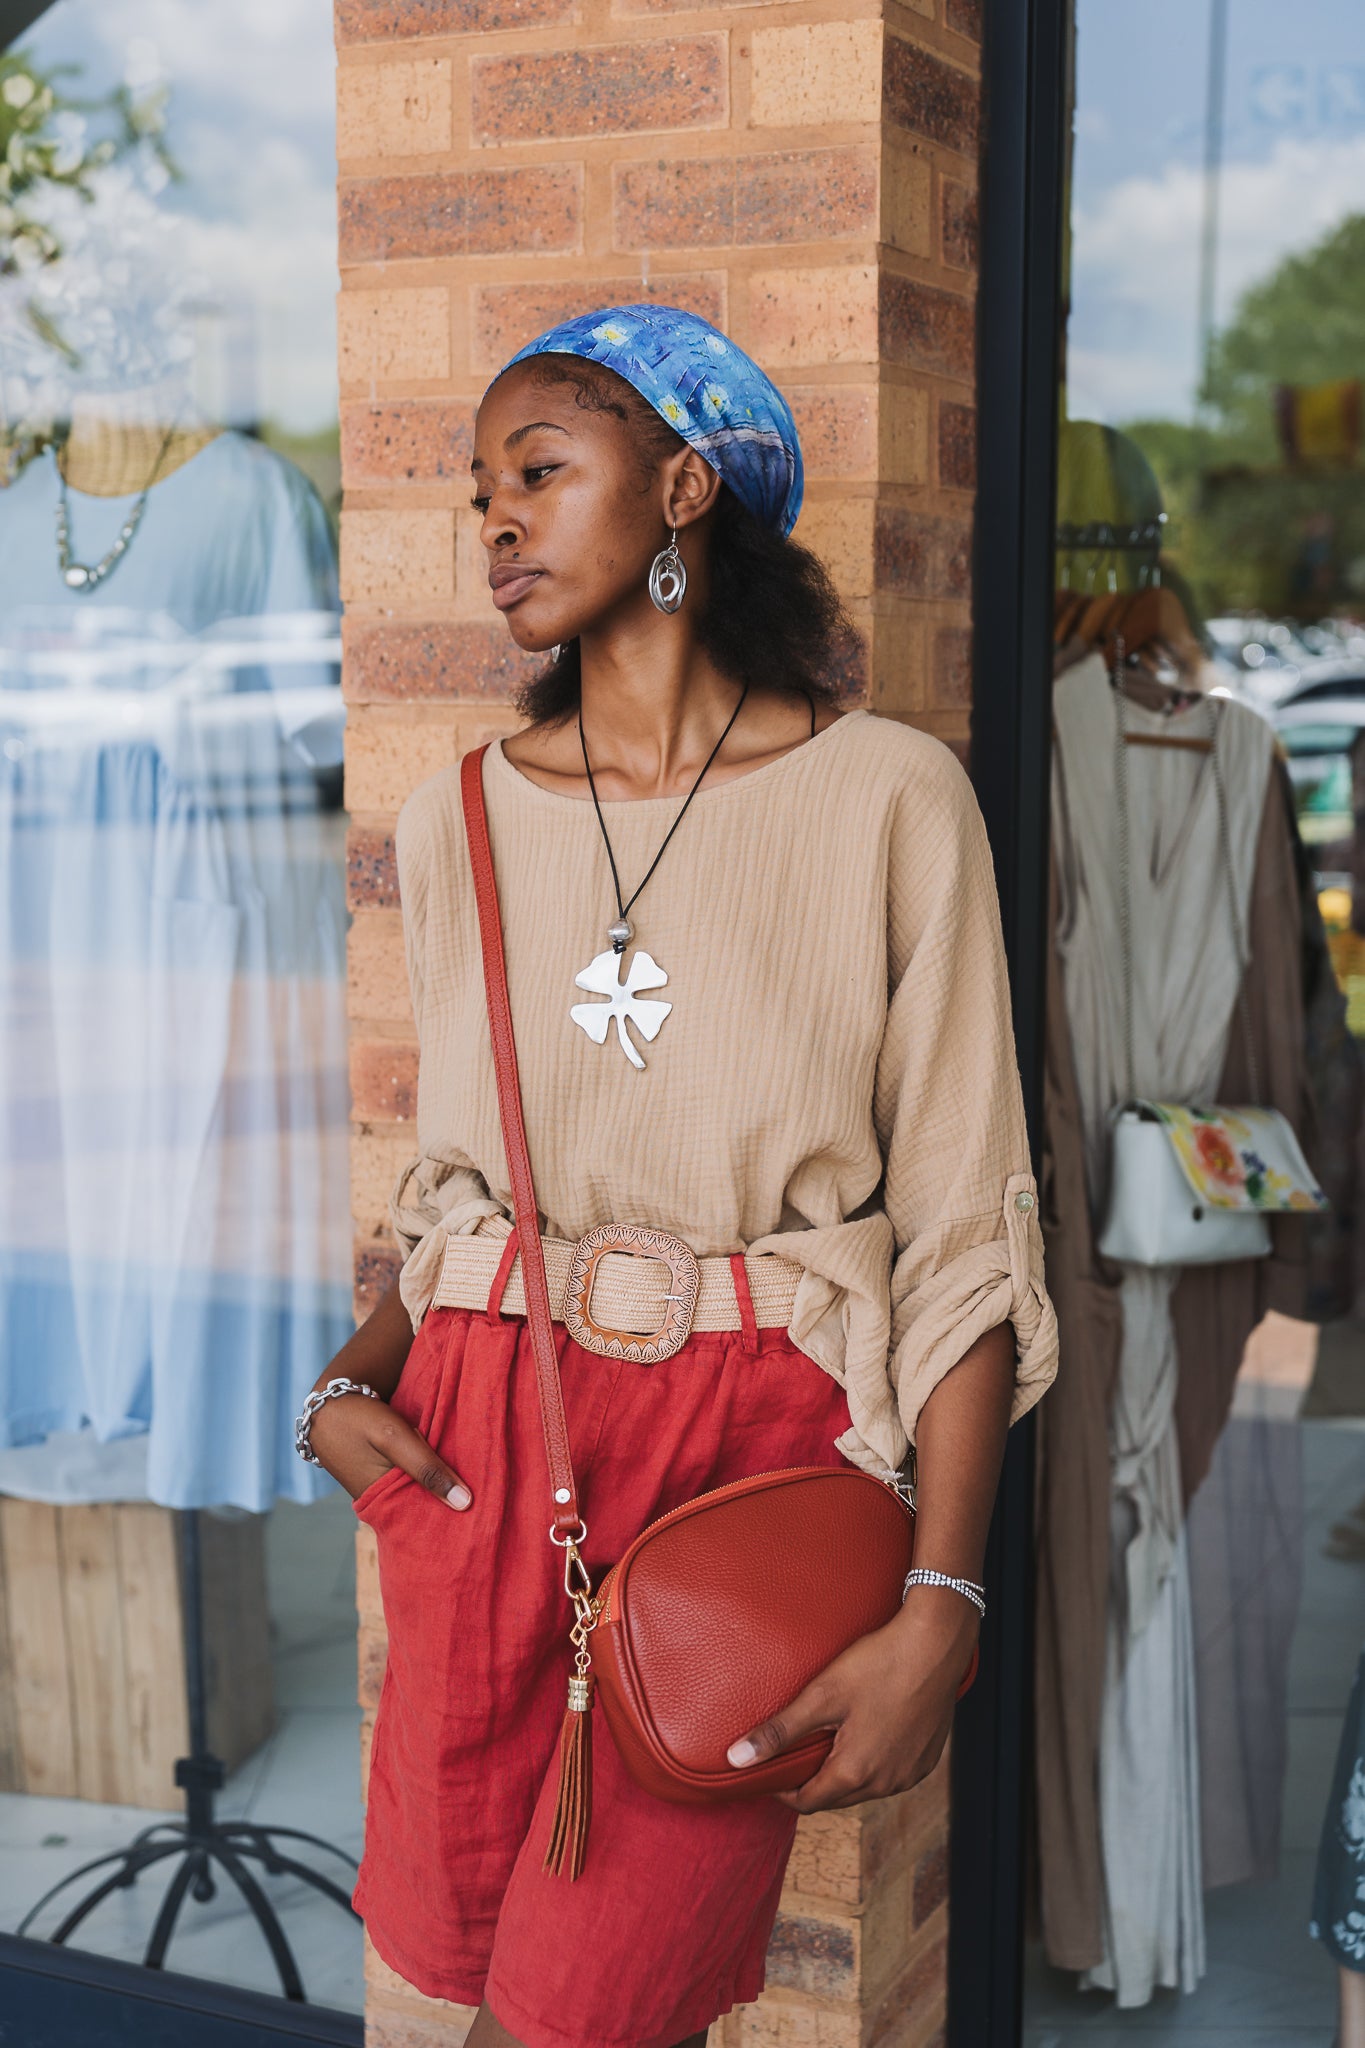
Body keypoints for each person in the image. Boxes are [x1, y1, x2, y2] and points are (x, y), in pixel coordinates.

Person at [299, 304, 1057, 2048]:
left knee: (591, 2017)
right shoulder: (458, 817)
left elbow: (961, 1231)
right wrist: (346, 1382)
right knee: (467, 1980)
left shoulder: (889, 798)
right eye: (478, 490)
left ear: (686, 487)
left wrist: (941, 1604)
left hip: (742, 1472)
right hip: (490, 1446)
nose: (493, 523)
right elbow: (457, 1189)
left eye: (540, 473)